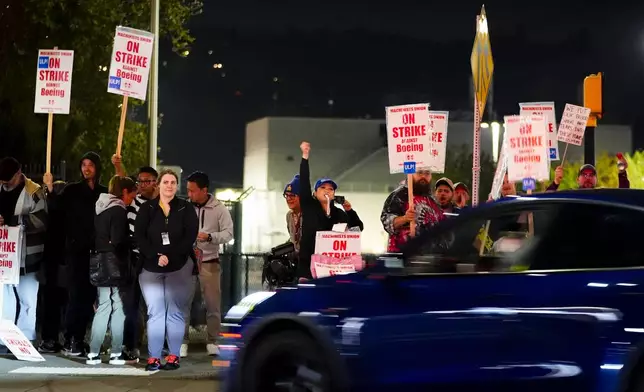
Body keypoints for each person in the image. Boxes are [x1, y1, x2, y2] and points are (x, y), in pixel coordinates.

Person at [43, 151, 107, 356]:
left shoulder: (104, 193)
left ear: (97, 167)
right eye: (83, 165)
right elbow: (56, 209)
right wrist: (50, 188)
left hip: (97, 252)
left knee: (89, 297)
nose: (86, 168)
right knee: (76, 296)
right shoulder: (72, 191)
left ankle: (79, 338)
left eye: (90, 165)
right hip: (76, 252)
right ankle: (71, 338)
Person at [135, 169, 198, 371]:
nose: (169, 185)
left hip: (179, 266)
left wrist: (171, 256)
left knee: (175, 313)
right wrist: (156, 255)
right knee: (155, 313)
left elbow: (190, 236)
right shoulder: (147, 209)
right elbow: (139, 237)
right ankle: (153, 357)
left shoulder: (185, 208)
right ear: (158, 185)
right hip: (151, 268)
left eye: (173, 182)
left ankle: (173, 356)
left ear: (176, 186)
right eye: (165, 182)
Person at [86, 176, 137, 365]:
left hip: (99, 261)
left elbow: (99, 236)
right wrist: (132, 240)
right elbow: (118, 240)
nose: (132, 199)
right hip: (115, 262)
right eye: (132, 194)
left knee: (103, 306)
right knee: (119, 307)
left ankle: (93, 352)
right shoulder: (118, 209)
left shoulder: (100, 207)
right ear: (124, 192)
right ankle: (116, 352)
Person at [184, 171, 234, 357]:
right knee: (183, 303)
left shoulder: (219, 209)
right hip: (187, 261)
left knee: (213, 304)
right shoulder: (184, 208)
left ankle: (213, 340)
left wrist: (210, 237)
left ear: (204, 190)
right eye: (187, 191)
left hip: (210, 262)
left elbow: (229, 234)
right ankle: (181, 341)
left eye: (193, 191)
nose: (189, 195)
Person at [297, 142, 363, 280]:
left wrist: (350, 211)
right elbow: (304, 181)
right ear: (315, 193)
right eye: (323, 188)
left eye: (331, 189)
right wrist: (305, 156)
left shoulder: (338, 213)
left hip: (332, 269)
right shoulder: (309, 206)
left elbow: (357, 229)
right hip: (308, 266)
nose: (327, 190)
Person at [0, 157, 48, 346]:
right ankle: (5, 339)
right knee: (4, 299)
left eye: (8, 180)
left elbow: (43, 221)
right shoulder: (0, 186)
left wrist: (14, 221)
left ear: (19, 173)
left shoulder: (34, 191)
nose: (4, 184)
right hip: (5, 254)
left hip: (29, 255)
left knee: (28, 298)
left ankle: (26, 339)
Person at [380, 169, 444, 252]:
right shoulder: (399, 195)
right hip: (403, 256)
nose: (423, 176)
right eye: (420, 173)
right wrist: (405, 218)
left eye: (427, 173)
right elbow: (386, 221)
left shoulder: (432, 200)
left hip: (430, 256)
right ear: (411, 174)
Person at [37, 180, 67, 353]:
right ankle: (53, 338)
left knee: (50, 303)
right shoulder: (63, 212)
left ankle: (49, 339)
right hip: (59, 263)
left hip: (50, 262)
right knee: (58, 303)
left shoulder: (49, 211)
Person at [546, 162, 630, 191]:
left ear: (596, 180)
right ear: (577, 179)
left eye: (591, 175)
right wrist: (556, 182)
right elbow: (548, 200)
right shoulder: (570, 195)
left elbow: (623, 196)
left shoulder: (602, 195)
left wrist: (622, 172)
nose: (588, 177)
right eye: (584, 175)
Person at [284, 175, 302, 252]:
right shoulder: (289, 215)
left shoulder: (311, 215)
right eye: (286, 195)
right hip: (295, 261)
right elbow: (293, 239)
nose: (288, 199)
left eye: (292, 196)